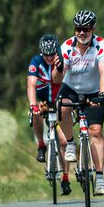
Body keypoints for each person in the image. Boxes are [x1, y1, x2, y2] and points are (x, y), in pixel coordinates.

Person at [53, 10, 104, 196]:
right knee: (61, 106)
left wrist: (102, 94)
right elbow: (56, 79)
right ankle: (70, 142)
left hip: (94, 91)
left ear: (93, 29)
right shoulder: (67, 47)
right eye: (78, 29)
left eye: (85, 29)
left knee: (96, 131)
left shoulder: (101, 45)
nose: (81, 33)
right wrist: (58, 67)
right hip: (71, 88)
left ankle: (100, 177)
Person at [27, 34, 72, 195]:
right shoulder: (36, 62)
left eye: (52, 54)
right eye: (46, 55)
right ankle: (41, 145)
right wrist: (33, 105)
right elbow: (31, 85)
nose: (49, 58)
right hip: (43, 100)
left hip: (60, 100)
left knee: (63, 142)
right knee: (36, 114)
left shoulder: (62, 60)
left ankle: (65, 177)